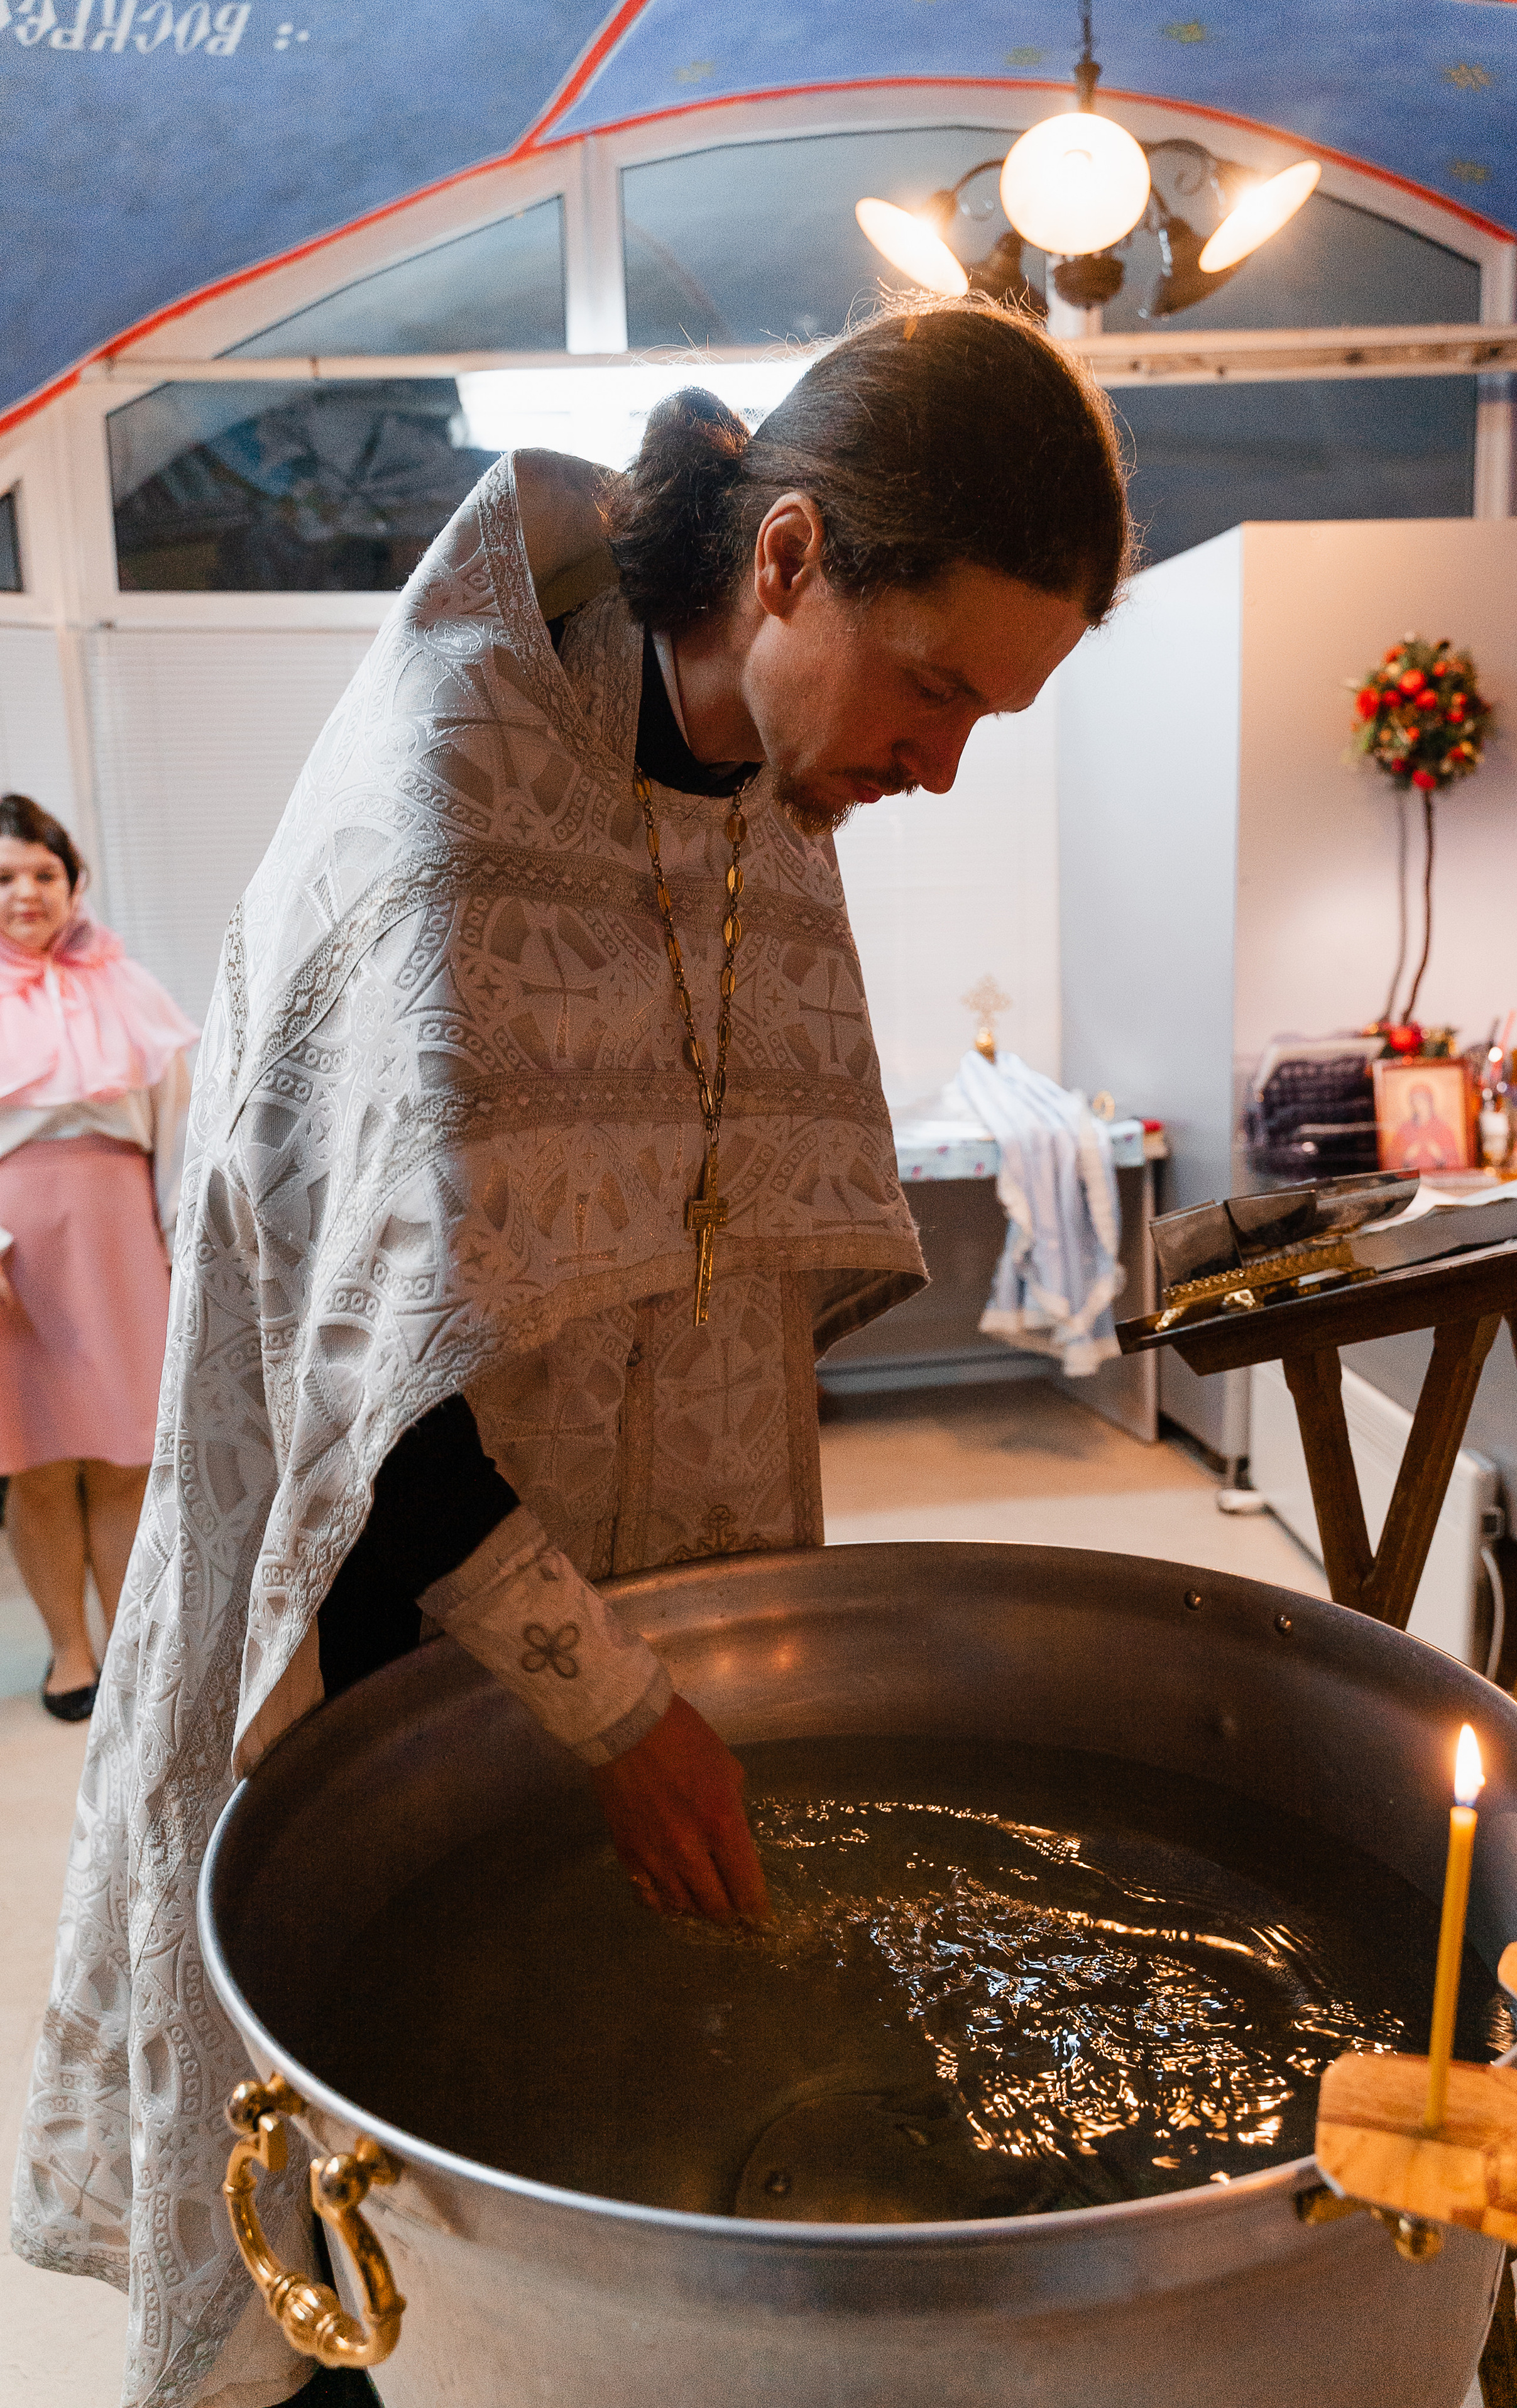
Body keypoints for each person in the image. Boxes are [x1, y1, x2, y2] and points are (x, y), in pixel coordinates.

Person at [12, 296, 1130, 2408]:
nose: (944, 764)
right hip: (367, 1644)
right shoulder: (441, 797)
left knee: (623, 2199)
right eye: (936, 690)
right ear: (788, 561)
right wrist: (623, 1710)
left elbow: (732, 1252)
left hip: (639, 1614)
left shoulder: (769, 800)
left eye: (995, 717)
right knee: (365, 2264)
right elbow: (379, 1403)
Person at [0, 793, 197, 1718]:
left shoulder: (129, 986)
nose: (26, 891)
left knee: (124, 1457)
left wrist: (177, 1246)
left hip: (121, 1245)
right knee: (35, 1460)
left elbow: (179, 1129)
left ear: (72, 883)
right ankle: (66, 1651)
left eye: (44, 873)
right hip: (10, 1260)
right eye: (4, 877)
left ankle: (124, 1646)